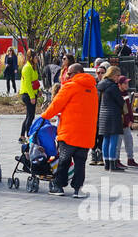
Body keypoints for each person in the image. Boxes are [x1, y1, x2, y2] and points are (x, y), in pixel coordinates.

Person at [42, 62, 98, 197]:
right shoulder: (93, 89)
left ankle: (58, 186)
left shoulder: (70, 87)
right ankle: (78, 189)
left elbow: (56, 105)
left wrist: (44, 117)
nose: (67, 75)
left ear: (77, 73)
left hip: (69, 132)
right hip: (86, 134)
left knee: (64, 160)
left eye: (69, 73)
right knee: (80, 163)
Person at [97, 66, 126, 172]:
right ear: (113, 75)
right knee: (113, 139)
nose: (119, 77)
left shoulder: (100, 85)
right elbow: (120, 101)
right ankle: (113, 165)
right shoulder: (113, 87)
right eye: (118, 75)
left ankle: (106, 164)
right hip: (113, 114)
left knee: (106, 139)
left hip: (103, 114)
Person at [119, 75, 138, 167]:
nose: (127, 84)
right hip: (120, 122)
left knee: (129, 141)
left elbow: (129, 108)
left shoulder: (126, 93)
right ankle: (116, 160)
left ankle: (130, 159)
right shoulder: (117, 94)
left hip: (126, 122)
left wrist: (131, 119)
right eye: (125, 83)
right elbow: (123, 110)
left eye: (127, 83)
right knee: (118, 142)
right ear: (119, 84)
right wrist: (127, 120)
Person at [19, 51, 40, 137]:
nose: (37, 58)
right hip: (27, 94)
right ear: (31, 57)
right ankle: (28, 135)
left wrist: (38, 91)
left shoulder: (33, 67)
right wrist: (32, 97)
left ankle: (22, 135)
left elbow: (34, 81)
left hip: (32, 93)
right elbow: (28, 84)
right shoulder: (27, 68)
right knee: (30, 116)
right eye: (36, 57)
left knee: (29, 115)